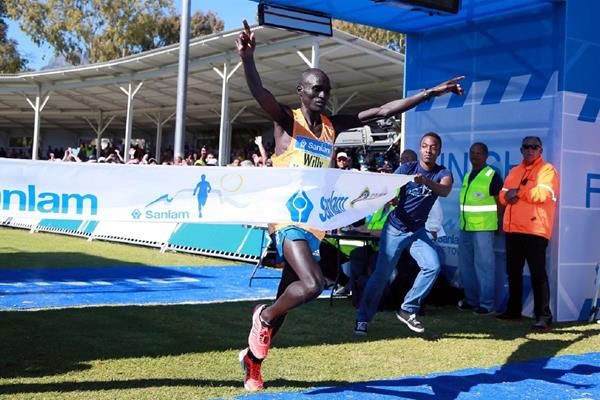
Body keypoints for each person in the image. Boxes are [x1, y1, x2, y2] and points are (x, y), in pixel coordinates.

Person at [235, 20, 464, 391]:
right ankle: (261, 317)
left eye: (327, 89)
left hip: (314, 223)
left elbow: (383, 110)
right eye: (316, 89)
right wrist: (248, 57)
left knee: (287, 301)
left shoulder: (331, 125)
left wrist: (431, 93)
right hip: (287, 218)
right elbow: (259, 92)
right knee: (312, 284)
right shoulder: (286, 122)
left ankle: (253, 360)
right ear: (301, 92)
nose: (323, 94)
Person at [355, 132, 454, 335]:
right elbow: (390, 189)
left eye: (433, 147)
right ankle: (363, 319)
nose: (429, 150)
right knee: (382, 275)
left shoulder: (442, 173)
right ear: (420, 149)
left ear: (439, 151)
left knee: (432, 267)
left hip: (418, 231)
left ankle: (407, 309)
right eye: (425, 146)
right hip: (395, 229)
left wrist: (426, 182)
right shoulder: (408, 168)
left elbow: (444, 191)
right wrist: (388, 196)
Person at [497, 136, 560, 330]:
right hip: (513, 228)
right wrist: (509, 195)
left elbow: (544, 194)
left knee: (537, 273)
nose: (530, 150)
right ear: (521, 150)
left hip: (535, 230)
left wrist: (518, 193)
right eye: (527, 147)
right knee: (513, 272)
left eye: (535, 147)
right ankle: (513, 311)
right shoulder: (514, 171)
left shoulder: (548, 170)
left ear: (540, 150)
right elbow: (502, 195)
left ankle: (543, 316)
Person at [457, 143, 503, 315]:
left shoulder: (492, 175)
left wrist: (498, 222)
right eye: (472, 153)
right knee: (466, 266)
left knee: (484, 266)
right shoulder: (468, 174)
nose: (475, 156)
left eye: (479, 153)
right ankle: (471, 300)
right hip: (466, 227)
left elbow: (500, 202)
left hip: (484, 228)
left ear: (486, 156)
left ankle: (486, 303)